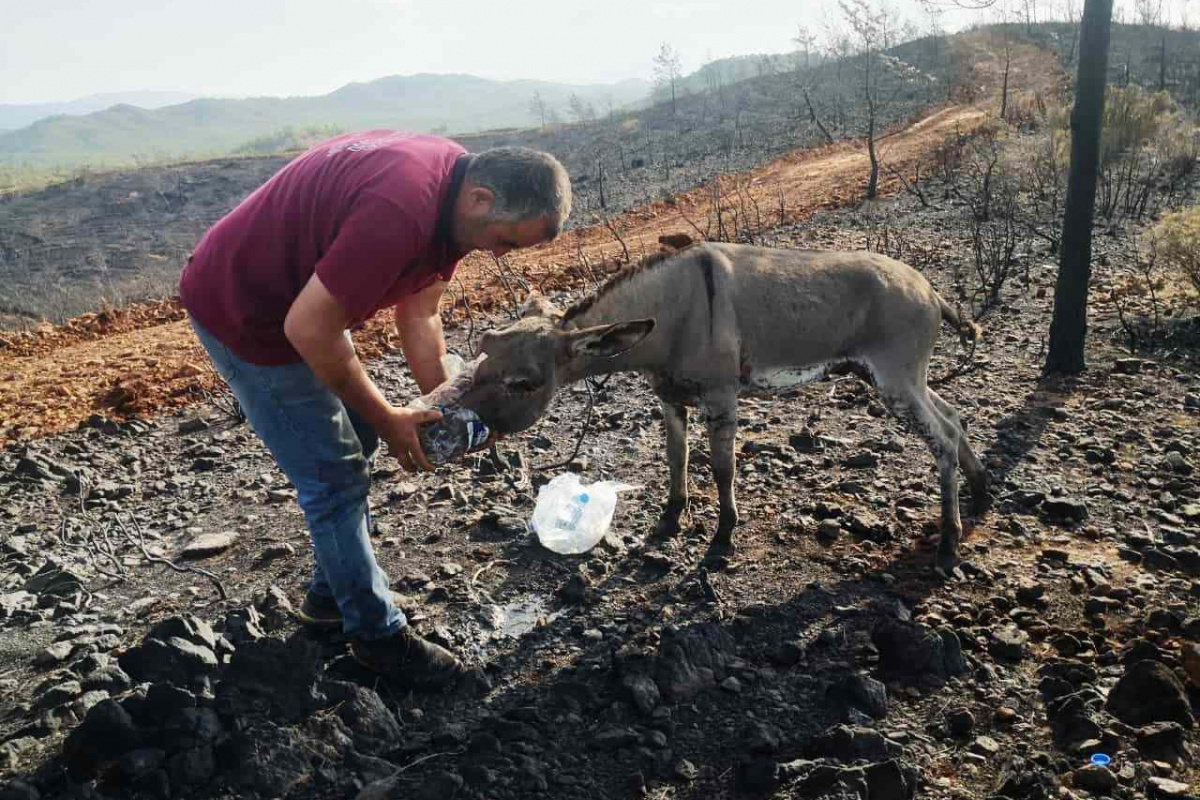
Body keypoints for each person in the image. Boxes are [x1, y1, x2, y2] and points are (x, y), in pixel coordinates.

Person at [180, 131, 571, 688]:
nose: (500, 255)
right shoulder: (402, 211)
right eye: (505, 241)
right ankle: (377, 639)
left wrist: (449, 407)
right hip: (246, 310)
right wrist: (391, 419)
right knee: (334, 474)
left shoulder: (455, 195)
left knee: (355, 438)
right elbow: (308, 328)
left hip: (302, 307)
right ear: (481, 199)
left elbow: (420, 315)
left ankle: (328, 598)